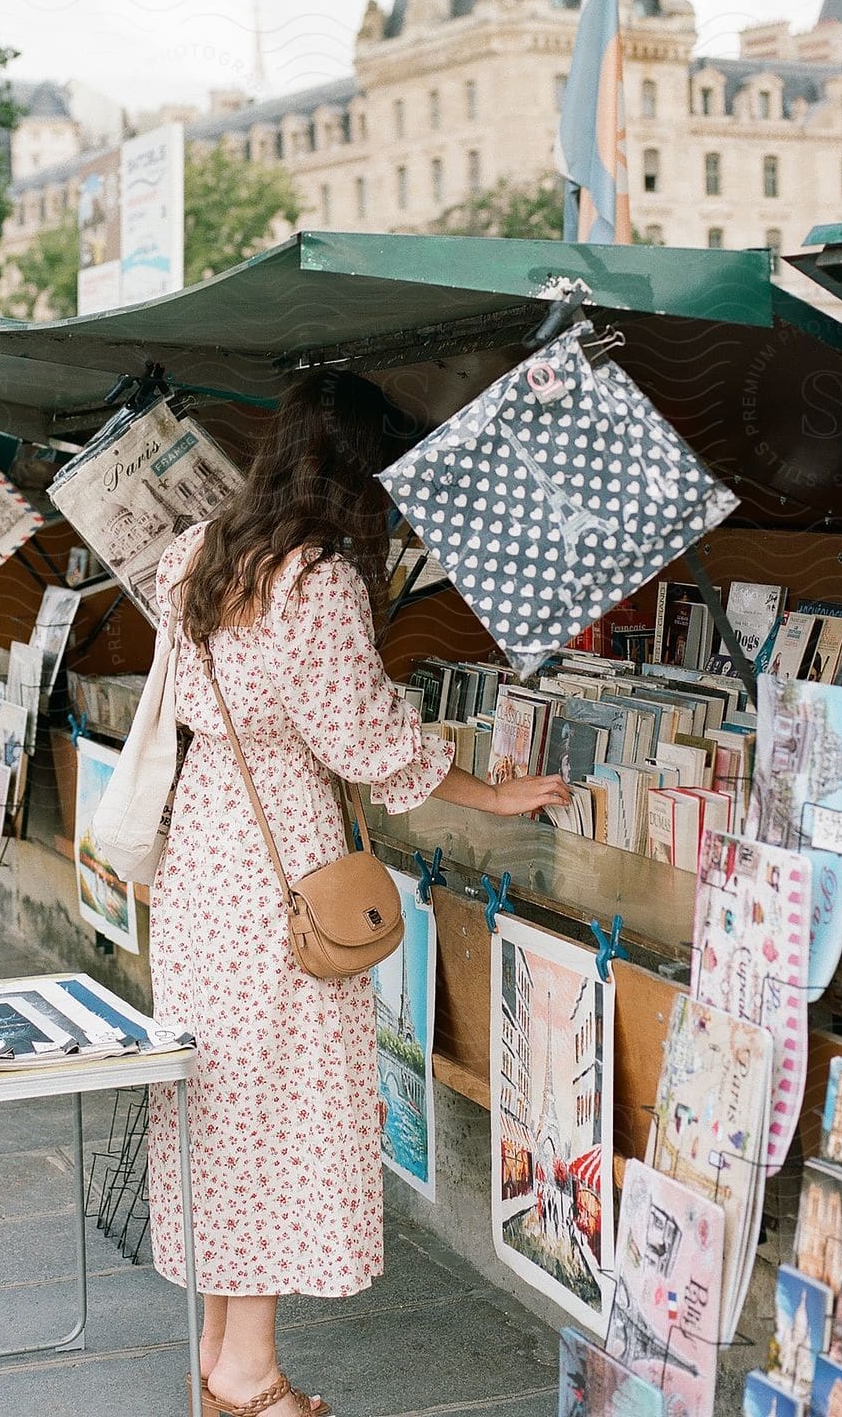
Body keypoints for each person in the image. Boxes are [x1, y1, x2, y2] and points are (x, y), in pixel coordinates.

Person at [145, 371, 572, 1417]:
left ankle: (216, 1357)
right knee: (283, 1110)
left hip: (203, 850)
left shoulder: (193, 555)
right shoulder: (317, 578)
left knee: (219, 1104)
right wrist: (490, 791)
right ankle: (249, 1372)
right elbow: (363, 740)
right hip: (284, 859)